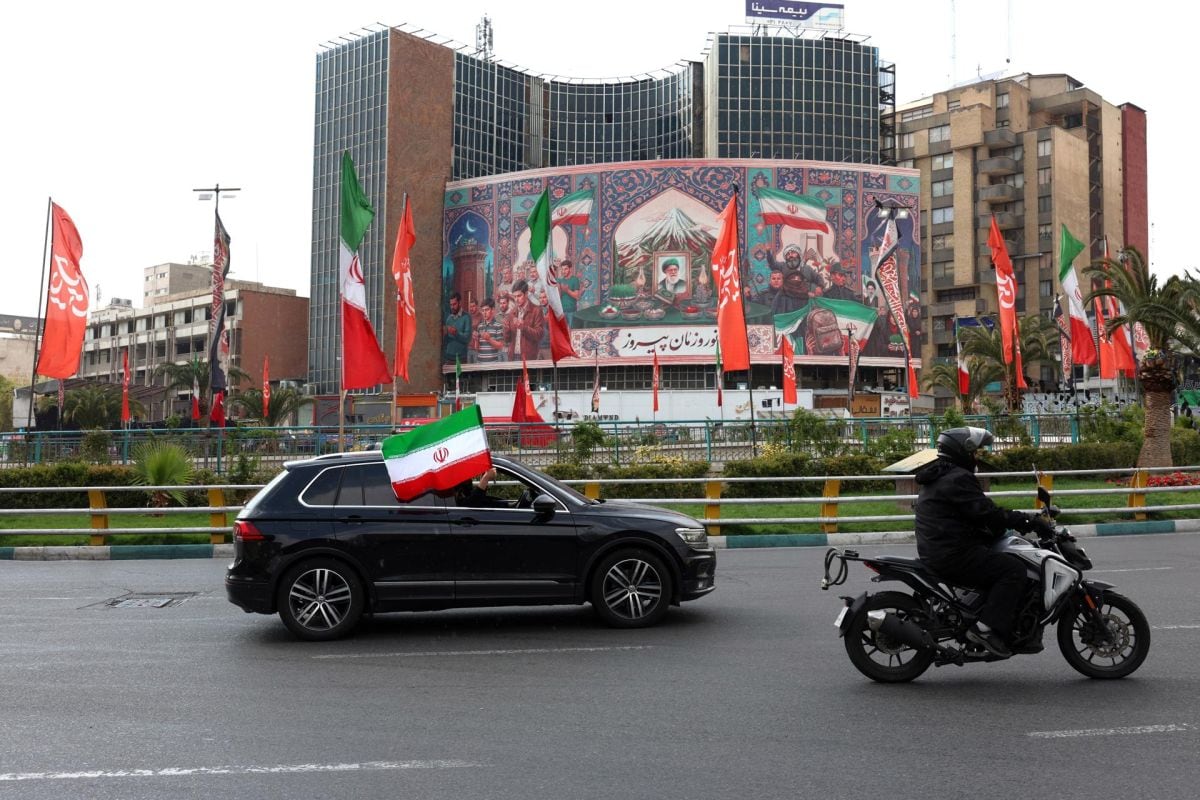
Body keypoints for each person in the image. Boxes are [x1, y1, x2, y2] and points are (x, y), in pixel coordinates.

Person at [914, 427, 1054, 658]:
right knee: (1013, 570)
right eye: (975, 452)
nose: (977, 457)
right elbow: (986, 513)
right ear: (963, 451)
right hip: (952, 553)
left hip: (941, 548)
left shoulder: (941, 474)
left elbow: (974, 513)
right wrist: (1027, 520)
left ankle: (983, 615)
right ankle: (985, 629)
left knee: (999, 561)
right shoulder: (958, 477)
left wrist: (1007, 523)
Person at [502, 279, 546, 360]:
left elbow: (539, 335)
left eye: (519, 296)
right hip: (513, 356)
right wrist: (506, 329)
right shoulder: (512, 313)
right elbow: (506, 340)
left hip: (529, 357)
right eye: (514, 296)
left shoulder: (536, 310)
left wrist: (524, 327)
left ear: (526, 294)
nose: (516, 299)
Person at [473, 298, 505, 363]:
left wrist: (489, 339)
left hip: (492, 363)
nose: (484, 313)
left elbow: (500, 346)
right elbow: (477, 348)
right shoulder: (480, 326)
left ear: (492, 310)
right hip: (480, 363)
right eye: (483, 310)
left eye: (487, 310)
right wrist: (476, 340)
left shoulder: (498, 326)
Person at [443, 292, 471, 364]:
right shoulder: (449, 318)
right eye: (451, 305)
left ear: (460, 303)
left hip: (461, 358)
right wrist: (443, 334)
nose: (452, 307)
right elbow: (446, 341)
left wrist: (456, 333)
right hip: (448, 357)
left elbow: (467, 338)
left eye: (454, 304)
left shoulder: (466, 317)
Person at [557, 259, 582, 324]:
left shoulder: (575, 280)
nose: (563, 271)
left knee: (571, 331)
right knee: (562, 332)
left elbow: (577, 296)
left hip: (572, 311)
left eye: (565, 269)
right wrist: (558, 288)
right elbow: (558, 297)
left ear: (570, 269)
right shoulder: (560, 280)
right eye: (562, 269)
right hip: (562, 311)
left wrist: (567, 290)